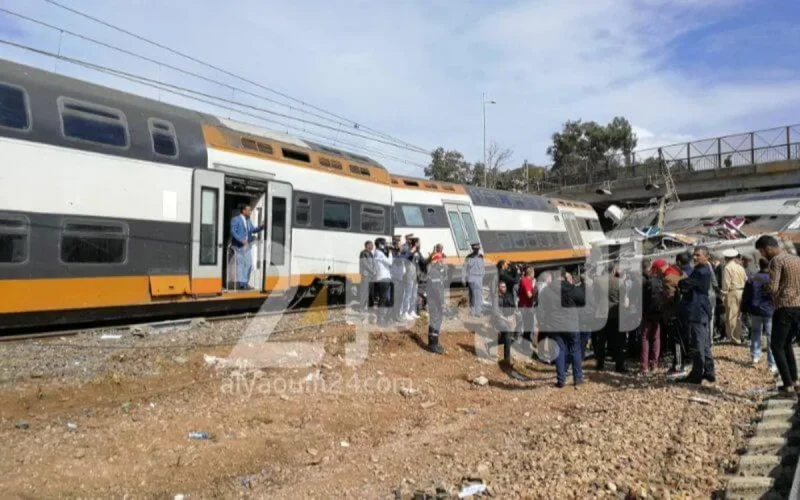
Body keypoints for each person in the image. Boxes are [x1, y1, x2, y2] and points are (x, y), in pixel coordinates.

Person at [755, 235, 800, 396]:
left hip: (784, 307)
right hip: (798, 306)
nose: (762, 255)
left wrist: (763, 286)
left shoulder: (776, 261)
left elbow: (773, 287)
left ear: (767, 248)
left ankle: (787, 384)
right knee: (787, 344)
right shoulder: (796, 259)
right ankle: (795, 381)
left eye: (761, 251)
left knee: (776, 346)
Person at [538, 269, 586, 388]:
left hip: (555, 325)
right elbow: (582, 299)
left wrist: (544, 323)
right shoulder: (570, 288)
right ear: (564, 276)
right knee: (575, 350)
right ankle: (578, 379)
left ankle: (561, 380)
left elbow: (540, 311)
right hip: (571, 324)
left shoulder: (546, 291)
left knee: (559, 351)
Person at [678, 246, 716, 384]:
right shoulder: (704, 269)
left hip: (697, 311)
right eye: (694, 255)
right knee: (704, 342)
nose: (695, 257)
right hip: (703, 309)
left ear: (706, 256)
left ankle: (696, 374)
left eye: (698, 255)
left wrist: (682, 282)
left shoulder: (700, 271)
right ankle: (709, 371)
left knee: (697, 343)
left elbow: (684, 283)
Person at [745, 258, 776, 372]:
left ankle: (755, 356)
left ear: (759, 265)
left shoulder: (754, 278)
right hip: (769, 310)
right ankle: (771, 363)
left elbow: (748, 294)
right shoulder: (772, 278)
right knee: (770, 336)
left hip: (756, 309)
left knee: (755, 332)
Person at [230, 204, 266, 290]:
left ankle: (244, 283)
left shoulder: (248, 220)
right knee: (241, 265)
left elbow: (253, 230)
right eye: (249, 210)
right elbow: (233, 232)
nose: (250, 212)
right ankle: (243, 284)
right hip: (238, 246)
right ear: (243, 211)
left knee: (249, 265)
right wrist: (241, 240)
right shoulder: (235, 219)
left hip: (246, 246)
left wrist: (261, 227)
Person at [641, 259, 667, 374]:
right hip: (658, 313)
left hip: (646, 313)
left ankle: (644, 366)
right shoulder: (662, 280)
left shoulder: (646, 281)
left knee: (645, 338)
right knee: (656, 338)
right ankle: (654, 364)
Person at [721, 248, 747, 344]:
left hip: (732, 292)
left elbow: (726, 283)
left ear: (726, 258)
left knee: (732, 315)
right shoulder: (740, 267)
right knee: (738, 316)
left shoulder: (727, 267)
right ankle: (738, 335)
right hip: (741, 291)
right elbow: (746, 279)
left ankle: (734, 337)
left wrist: (723, 294)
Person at [426, 246, 447, 354]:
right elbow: (436, 290)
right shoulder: (434, 272)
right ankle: (432, 344)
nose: (442, 262)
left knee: (437, 320)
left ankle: (434, 342)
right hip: (435, 301)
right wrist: (442, 303)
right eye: (440, 260)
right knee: (435, 320)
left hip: (436, 301)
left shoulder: (437, 271)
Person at [491, 281, 518, 367]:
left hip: (505, 319)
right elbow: (495, 311)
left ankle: (489, 345)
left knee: (508, 337)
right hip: (497, 320)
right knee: (507, 332)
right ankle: (507, 358)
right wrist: (506, 319)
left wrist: (512, 317)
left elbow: (511, 307)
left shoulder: (506, 296)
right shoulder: (495, 297)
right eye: (502, 287)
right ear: (498, 288)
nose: (504, 288)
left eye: (505, 287)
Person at [372, 238, 393, 327]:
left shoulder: (377, 253)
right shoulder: (379, 254)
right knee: (383, 299)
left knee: (385, 299)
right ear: (379, 244)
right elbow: (390, 262)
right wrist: (390, 252)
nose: (384, 245)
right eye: (383, 243)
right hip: (383, 278)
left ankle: (384, 318)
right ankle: (380, 320)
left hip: (383, 277)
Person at [402, 238, 423, 320]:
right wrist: (413, 249)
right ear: (415, 244)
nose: (420, 244)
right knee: (408, 294)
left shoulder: (418, 252)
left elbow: (422, 262)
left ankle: (412, 311)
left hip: (415, 276)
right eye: (418, 243)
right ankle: (405, 312)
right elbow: (407, 257)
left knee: (414, 295)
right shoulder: (408, 250)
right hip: (409, 275)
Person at [462, 242, 486, 317]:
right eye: (475, 249)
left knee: (479, 295)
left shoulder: (481, 257)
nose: (476, 250)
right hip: (471, 277)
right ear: (473, 249)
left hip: (479, 278)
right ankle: (472, 311)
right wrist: (463, 278)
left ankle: (478, 311)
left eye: (477, 249)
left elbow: (483, 267)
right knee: (472, 295)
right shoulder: (468, 257)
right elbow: (464, 268)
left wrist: (483, 275)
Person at [518, 266, 537, 344]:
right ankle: (525, 341)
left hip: (525, 305)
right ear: (531, 273)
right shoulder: (526, 281)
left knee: (528, 324)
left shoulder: (524, 280)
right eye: (534, 273)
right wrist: (535, 293)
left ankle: (525, 339)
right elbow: (529, 295)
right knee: (528, 324)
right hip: (525, 306)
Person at [358, 241, 377, 314]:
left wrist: (375, 270)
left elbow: (373, 263)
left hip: (371, 275)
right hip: (365, 275)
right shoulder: (363, 253)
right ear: (367, 246)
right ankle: (361, 308)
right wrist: (372, 271)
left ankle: (365, 307)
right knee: (364, 292)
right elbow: (365, 264)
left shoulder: (370, 253)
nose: (372, 246)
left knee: (369, 292)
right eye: (371, 245)